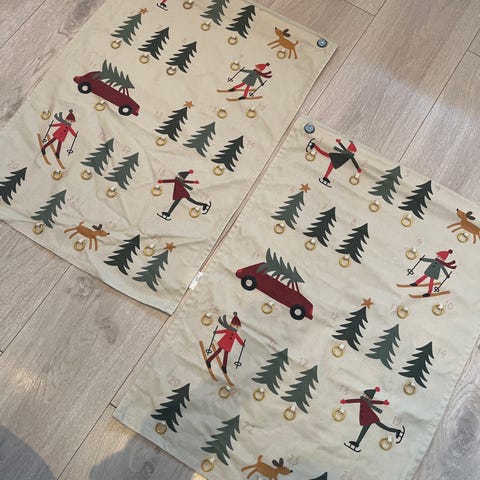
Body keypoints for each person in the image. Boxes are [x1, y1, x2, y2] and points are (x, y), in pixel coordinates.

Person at [341, 387, 405, 452]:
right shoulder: (363, 400)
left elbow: (375, 402)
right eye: (364, 394)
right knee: (365, 430)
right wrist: (345, 401)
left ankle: (397, 431)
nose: (363, 395)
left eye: (365, 395)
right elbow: (354, 400)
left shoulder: (367, 401)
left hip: (370, 417)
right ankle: (357, 443)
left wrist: (383, 402)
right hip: (367, 418)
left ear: (368, 397)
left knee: (382, 427)